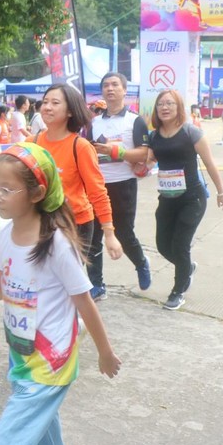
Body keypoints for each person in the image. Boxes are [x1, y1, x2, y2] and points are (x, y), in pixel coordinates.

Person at [0, 142, 121, 445]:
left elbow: (84, 302)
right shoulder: (6, 234)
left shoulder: (56, 243)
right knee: (44, 441)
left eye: (7, 189)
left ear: (37, 193)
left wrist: (105, 352)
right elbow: (0, 291)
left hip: (50, 363)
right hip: (21, 354)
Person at [34, 84, 122, 301]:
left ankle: (73, 319)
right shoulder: (33, 143)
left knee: (63, 286)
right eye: (45, 102)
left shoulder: (80, 146)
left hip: (75, 225)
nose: (47, 107)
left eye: (55, 103)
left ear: (70, 111)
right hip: (42, 223)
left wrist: (109, 234)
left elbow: (98, 192)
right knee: (41, 281)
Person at [146, 89, 223, 311]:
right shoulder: (154, 136)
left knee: (180, 245)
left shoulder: (191, 132)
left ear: (179, 107)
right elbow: (149, 161)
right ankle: (187, 268)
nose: (164, 107)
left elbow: (210, 163)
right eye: (161, 104)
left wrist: (221, 192)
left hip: (192, 198)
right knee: (163, 245)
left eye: (170, 103)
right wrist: (140, 165)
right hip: (167, 198)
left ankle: (178, 291)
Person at [89, 72, 153, 292]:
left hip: (123, 184)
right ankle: (96, 284)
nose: (110, 88)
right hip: (97, 186)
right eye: (106, 85)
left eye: (115, 85)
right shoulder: (94, 122)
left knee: (124, 234)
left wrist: (115, 151)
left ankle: (141, 263)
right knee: (93, 236)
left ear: (125, 90)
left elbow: (143, 153)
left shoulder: (135, 121)